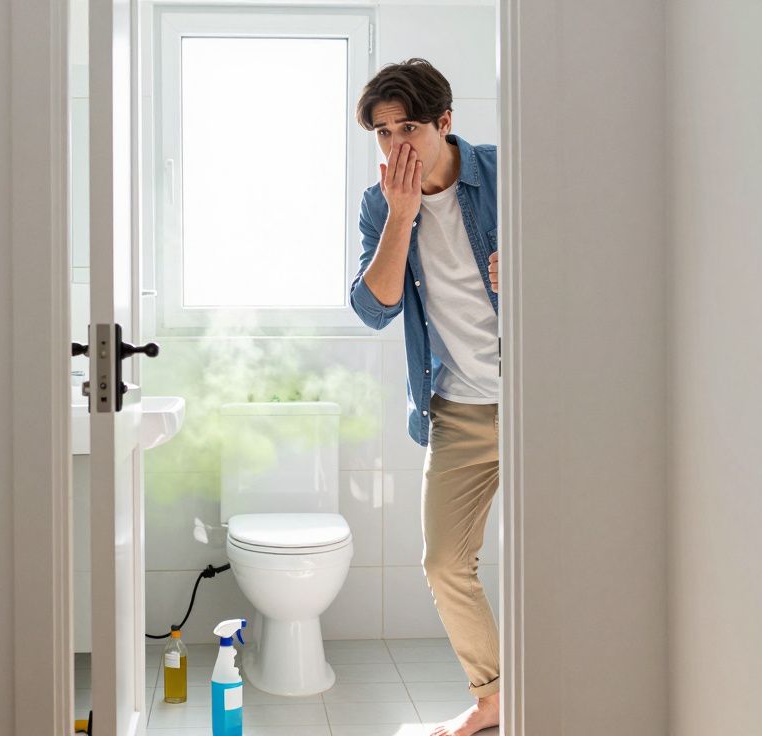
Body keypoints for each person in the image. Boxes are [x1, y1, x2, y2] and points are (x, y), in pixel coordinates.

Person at [349, 58, 502, 736]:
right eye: (382, 133)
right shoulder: (381, 203)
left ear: (445, 122)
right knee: (444, 562)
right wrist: (402, 218)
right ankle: (496, 699)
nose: (395, 146)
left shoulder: (507, 171)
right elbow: (373, 308)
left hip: (544, 402)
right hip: (460, 407)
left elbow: (588, 258)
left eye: (407, 126)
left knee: (567, 549)